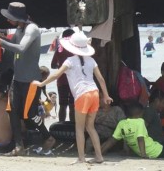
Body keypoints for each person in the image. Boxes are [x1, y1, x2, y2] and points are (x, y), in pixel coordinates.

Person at [33, 31, 113, 164]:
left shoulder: (70, 61)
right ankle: (99, 156)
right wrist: (106, 95)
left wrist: (41, 83)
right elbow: (101, 79)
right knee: (90, 127)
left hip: (82, 95)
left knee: (79, 128)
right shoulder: (91, 60)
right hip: (94, 93)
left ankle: (81, 158)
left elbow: (55, 75)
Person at [0, 2, 42, 156]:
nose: (8, 21)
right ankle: (19, 146)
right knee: (12, 112)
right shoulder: (19, 28)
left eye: (10, 18)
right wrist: (0, 37)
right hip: (17, 79)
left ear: (19, 18)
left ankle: (48, 136)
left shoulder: (32, 29)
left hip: (31, 80)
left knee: (30, 115)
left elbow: (21, 48)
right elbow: (14, 43)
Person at [51, 28, 75, 122]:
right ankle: (72, 126)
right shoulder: (75, 49)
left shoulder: (59, 50)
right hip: (74, 81)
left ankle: (61, 125)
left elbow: (52, 65)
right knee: (72, 105)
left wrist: (60, 66)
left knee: (62, 105)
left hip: (61, 81)